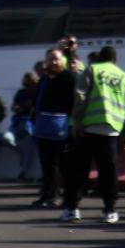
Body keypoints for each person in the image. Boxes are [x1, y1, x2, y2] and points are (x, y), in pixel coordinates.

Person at [64, 46, 125, 223]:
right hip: (112, 130)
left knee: (79, 171)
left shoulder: (92, 69)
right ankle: (109, 210)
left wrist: (77, 122)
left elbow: (80, 96)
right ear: (114, 59)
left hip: (88, 128)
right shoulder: (123, 75)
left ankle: (73, 209)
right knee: (108, 172)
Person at [31, 49, 76, 207]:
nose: (53, 62)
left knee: (63, 164)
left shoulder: (69, 78)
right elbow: (37, 101)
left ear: (62, 60)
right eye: (50, 59)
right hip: (44, 126)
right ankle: (48, 194)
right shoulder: (44, 80)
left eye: (56, 59)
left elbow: (73, 103)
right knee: (47, 163)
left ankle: (64, 196)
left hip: (62, 126)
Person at [8, 70, 38, 183]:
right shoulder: (21, 93)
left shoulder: (37, 93)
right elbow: (13, 107)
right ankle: (21, 152)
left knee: (30, 147)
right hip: (19, 121)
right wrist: (18, 107)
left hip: (30, 123)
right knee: (7, 138)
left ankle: (23, 172)